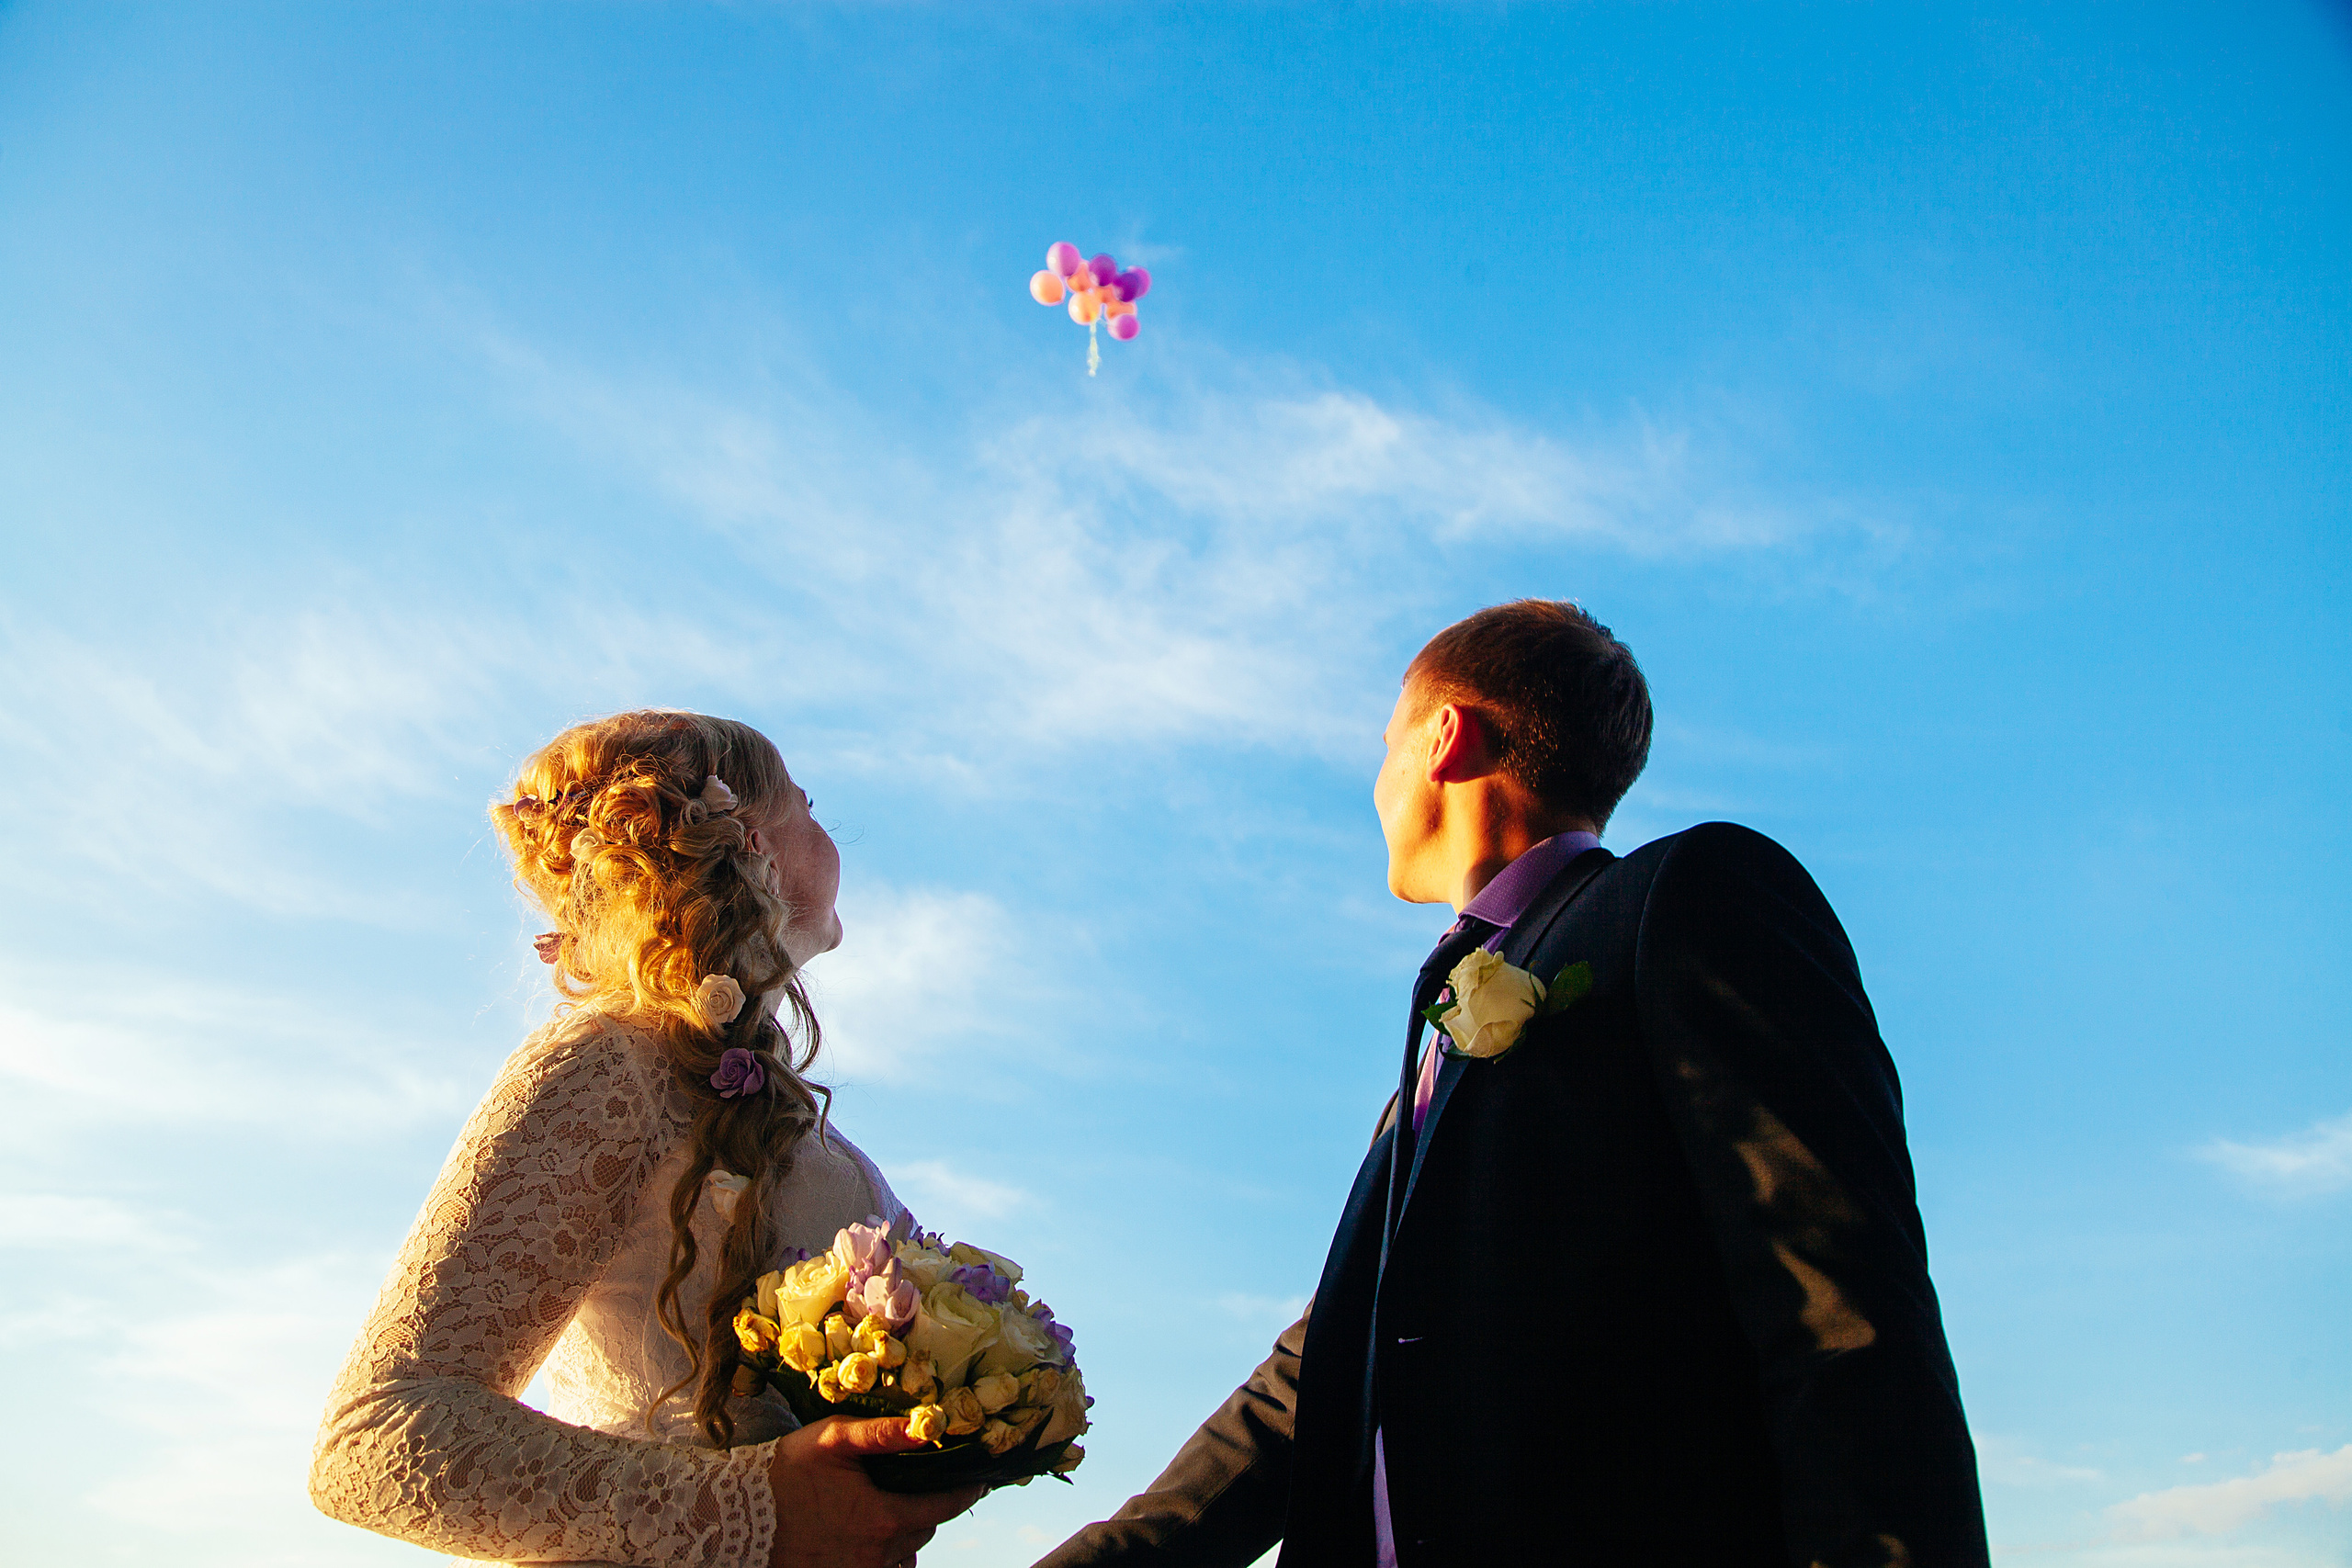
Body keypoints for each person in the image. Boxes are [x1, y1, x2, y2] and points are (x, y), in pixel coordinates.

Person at [1035, 602, 1990, 1568]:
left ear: (1444, 736)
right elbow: (1311, 1384)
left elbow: (1840, 1310)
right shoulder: (1425, 1068)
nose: (1377, 781)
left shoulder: (1685, 899)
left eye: (1386, 744)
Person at [310, 710, 982, 1568]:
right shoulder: (608, 1063)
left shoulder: (782, 1110)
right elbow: (374, 1436)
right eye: (809, 807)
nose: (832, 835)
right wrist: (754, 1507)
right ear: (752, 840)